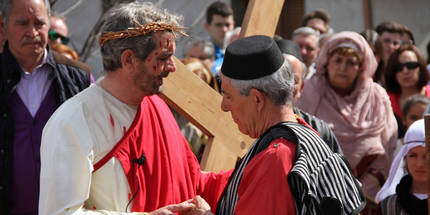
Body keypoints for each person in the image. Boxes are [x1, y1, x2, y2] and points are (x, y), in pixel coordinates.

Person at [39, 2, 230, 214]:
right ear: (128, 59)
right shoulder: (73, 121)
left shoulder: (158, 107)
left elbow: (191, 181)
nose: (172, 67)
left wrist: (252, 174)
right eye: (163, 58)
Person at [189, 35, 365, 215]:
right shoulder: (304, 132)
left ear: (257, 99)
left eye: (228, 96)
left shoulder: (276, 157)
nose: (223, 106)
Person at [0, 0, 91, 214]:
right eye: (22, 23)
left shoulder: (80, 79)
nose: (32, 32)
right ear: (3, 26)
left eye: (39, 23)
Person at [296, 31, 398, 206]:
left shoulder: (376, 97)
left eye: (351, 62)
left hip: (368, 196)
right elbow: (300, 142)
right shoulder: (310, 93)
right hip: (319, 194)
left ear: (362, 67)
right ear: (327, 63)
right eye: (337, 61)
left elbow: (388, 147)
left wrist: (361, 190)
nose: (343, 68)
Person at [276, 39, 342, 153]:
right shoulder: (244, 122)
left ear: (301, 88)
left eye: (293, 80)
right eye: (279, 77)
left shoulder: (318, 129)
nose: (286, 85)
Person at [376, 119, 428, 214]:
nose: (420, 164)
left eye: (427, 156)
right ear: (405, 158)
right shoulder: (388, 206)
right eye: (413, 155)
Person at [384, 44, 430, 137]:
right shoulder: (384, 101)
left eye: (410, 65)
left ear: (420, 68)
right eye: (399, 67)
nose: (405, 71)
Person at [204, 1, 234, 74]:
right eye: (218, 25)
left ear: (233, 25)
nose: (224, 29)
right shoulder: (200, 54)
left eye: (227, 25)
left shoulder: (241, 52)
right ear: (207, 27)